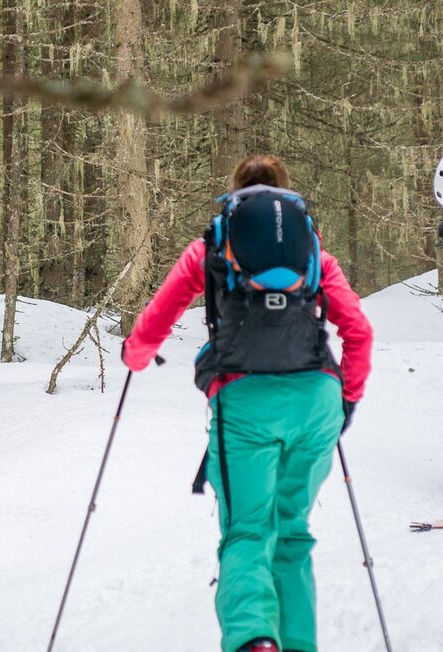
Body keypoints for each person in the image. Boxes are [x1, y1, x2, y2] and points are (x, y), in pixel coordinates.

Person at [121, 155, 373, 652]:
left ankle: (253, 640)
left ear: (235, 195)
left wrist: (135, 355)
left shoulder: (213, 245)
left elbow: (157, 317)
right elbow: (357, 329)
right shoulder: (313, 252)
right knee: (293, 532)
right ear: (286, 197)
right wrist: (347, 399)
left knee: (247, 532)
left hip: (244, 402)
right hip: (316, 400)